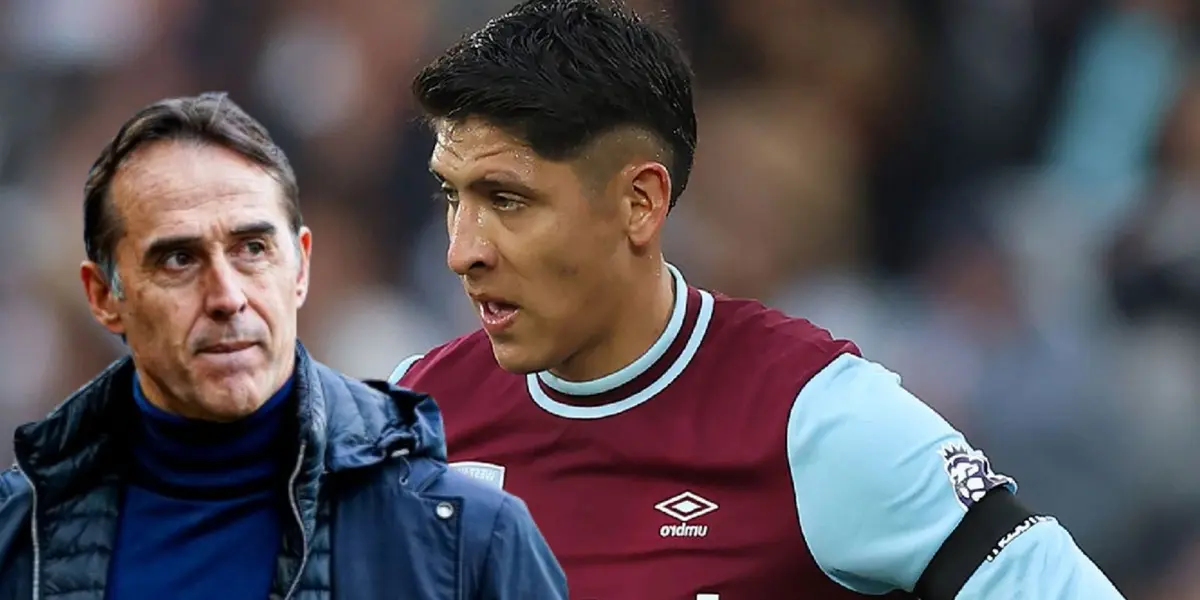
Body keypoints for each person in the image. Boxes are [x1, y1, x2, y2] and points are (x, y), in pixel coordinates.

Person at [391, 1, 1126, 598]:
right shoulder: (414, 419)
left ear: (640, 203)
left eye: (508, 200)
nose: (464, 249)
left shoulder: (813, 418)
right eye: (453, 197)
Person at [0, 93, 566, 600]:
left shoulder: (469, 544)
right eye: (178, 259)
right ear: (104, 297)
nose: (227, 297)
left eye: (251, 249)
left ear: (301, 268)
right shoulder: (15, 537)